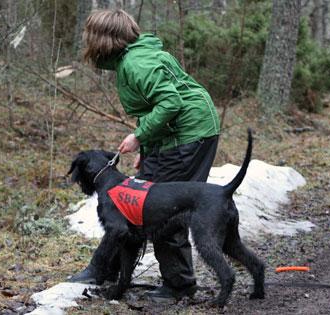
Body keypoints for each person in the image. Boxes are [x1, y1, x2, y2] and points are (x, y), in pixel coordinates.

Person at [69, 9, 220, 301]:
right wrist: (149, 148)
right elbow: (155, 105)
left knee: (162, 210)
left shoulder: (136, 63)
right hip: (186, 132)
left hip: (187, 135)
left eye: (89, 37)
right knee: (134, 205)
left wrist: (139, 137)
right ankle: (107, 268)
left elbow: (170, 102)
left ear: (104, 40)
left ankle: (179, 285)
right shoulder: (136, 57)